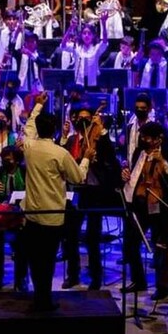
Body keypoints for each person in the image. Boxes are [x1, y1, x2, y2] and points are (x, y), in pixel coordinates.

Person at [21, 91, 91, 311]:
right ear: (55, 130)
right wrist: (87, 157)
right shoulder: (60, 153)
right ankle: (45, 300)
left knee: (35, 260)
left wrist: (38, 106)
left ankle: (38, 299)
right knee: (48, 260)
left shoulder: (29, 148)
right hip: (53, 216)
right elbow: (78, 177)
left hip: (32, 214)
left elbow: (28, 128)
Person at [59, 104, 121, 289]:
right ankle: (73, 274)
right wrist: (63, 137)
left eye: (88, 117)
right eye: (80, 117)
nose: (83, 120)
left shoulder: (99, 139)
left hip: (94, 190)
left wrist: (101, 130)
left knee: (93, 236)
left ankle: (95, 276)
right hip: (75, 190)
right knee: (70, 235)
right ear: (75, 119)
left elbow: (111, 157)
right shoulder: (71, 140)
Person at [120, 121, 168, 297]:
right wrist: (125, 175)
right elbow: (134, 174)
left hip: (158, 206)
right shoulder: (139, 152)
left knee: (160, 247)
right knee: (131, 244)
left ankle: (163, 286)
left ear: (159, 139)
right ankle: (139, 280)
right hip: (139, 203)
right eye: (142, 137)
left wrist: (162, 161)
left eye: (147, 137)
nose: (143, 140)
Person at [0, 146, 28, 292]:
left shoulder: (24, 171)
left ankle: (20, 280)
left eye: (9, 157)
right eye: (4, 157)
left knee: (21, 250)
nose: (6, 160)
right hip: (0, 216)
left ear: (16, 159)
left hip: (18, 215)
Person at [60, 13, 108, 88]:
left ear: (93, 36)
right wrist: (70, 28)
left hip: (93, 82)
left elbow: (105, 41)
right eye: (84, 33)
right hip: (79, 82)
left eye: (89, 33)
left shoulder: (97, 48)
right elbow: (63, 45)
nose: (86, 36)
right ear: (81, 35)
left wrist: (104, 23)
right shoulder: (77, 47)